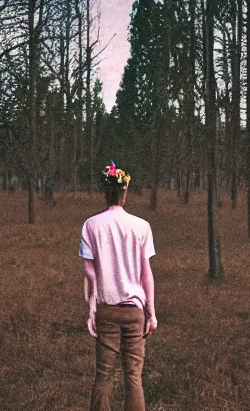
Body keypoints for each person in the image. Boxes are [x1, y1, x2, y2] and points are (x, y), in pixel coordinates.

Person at [79, 162, 158, 411]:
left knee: (103, 375)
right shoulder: (141, 226)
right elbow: (146, 274)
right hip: (134, 309)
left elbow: (90, 272)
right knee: (133, 376)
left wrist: (92, 308)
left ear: (105, 191)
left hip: (106, 309)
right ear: (125, 191)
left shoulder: (91, 225)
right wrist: (151, 312)